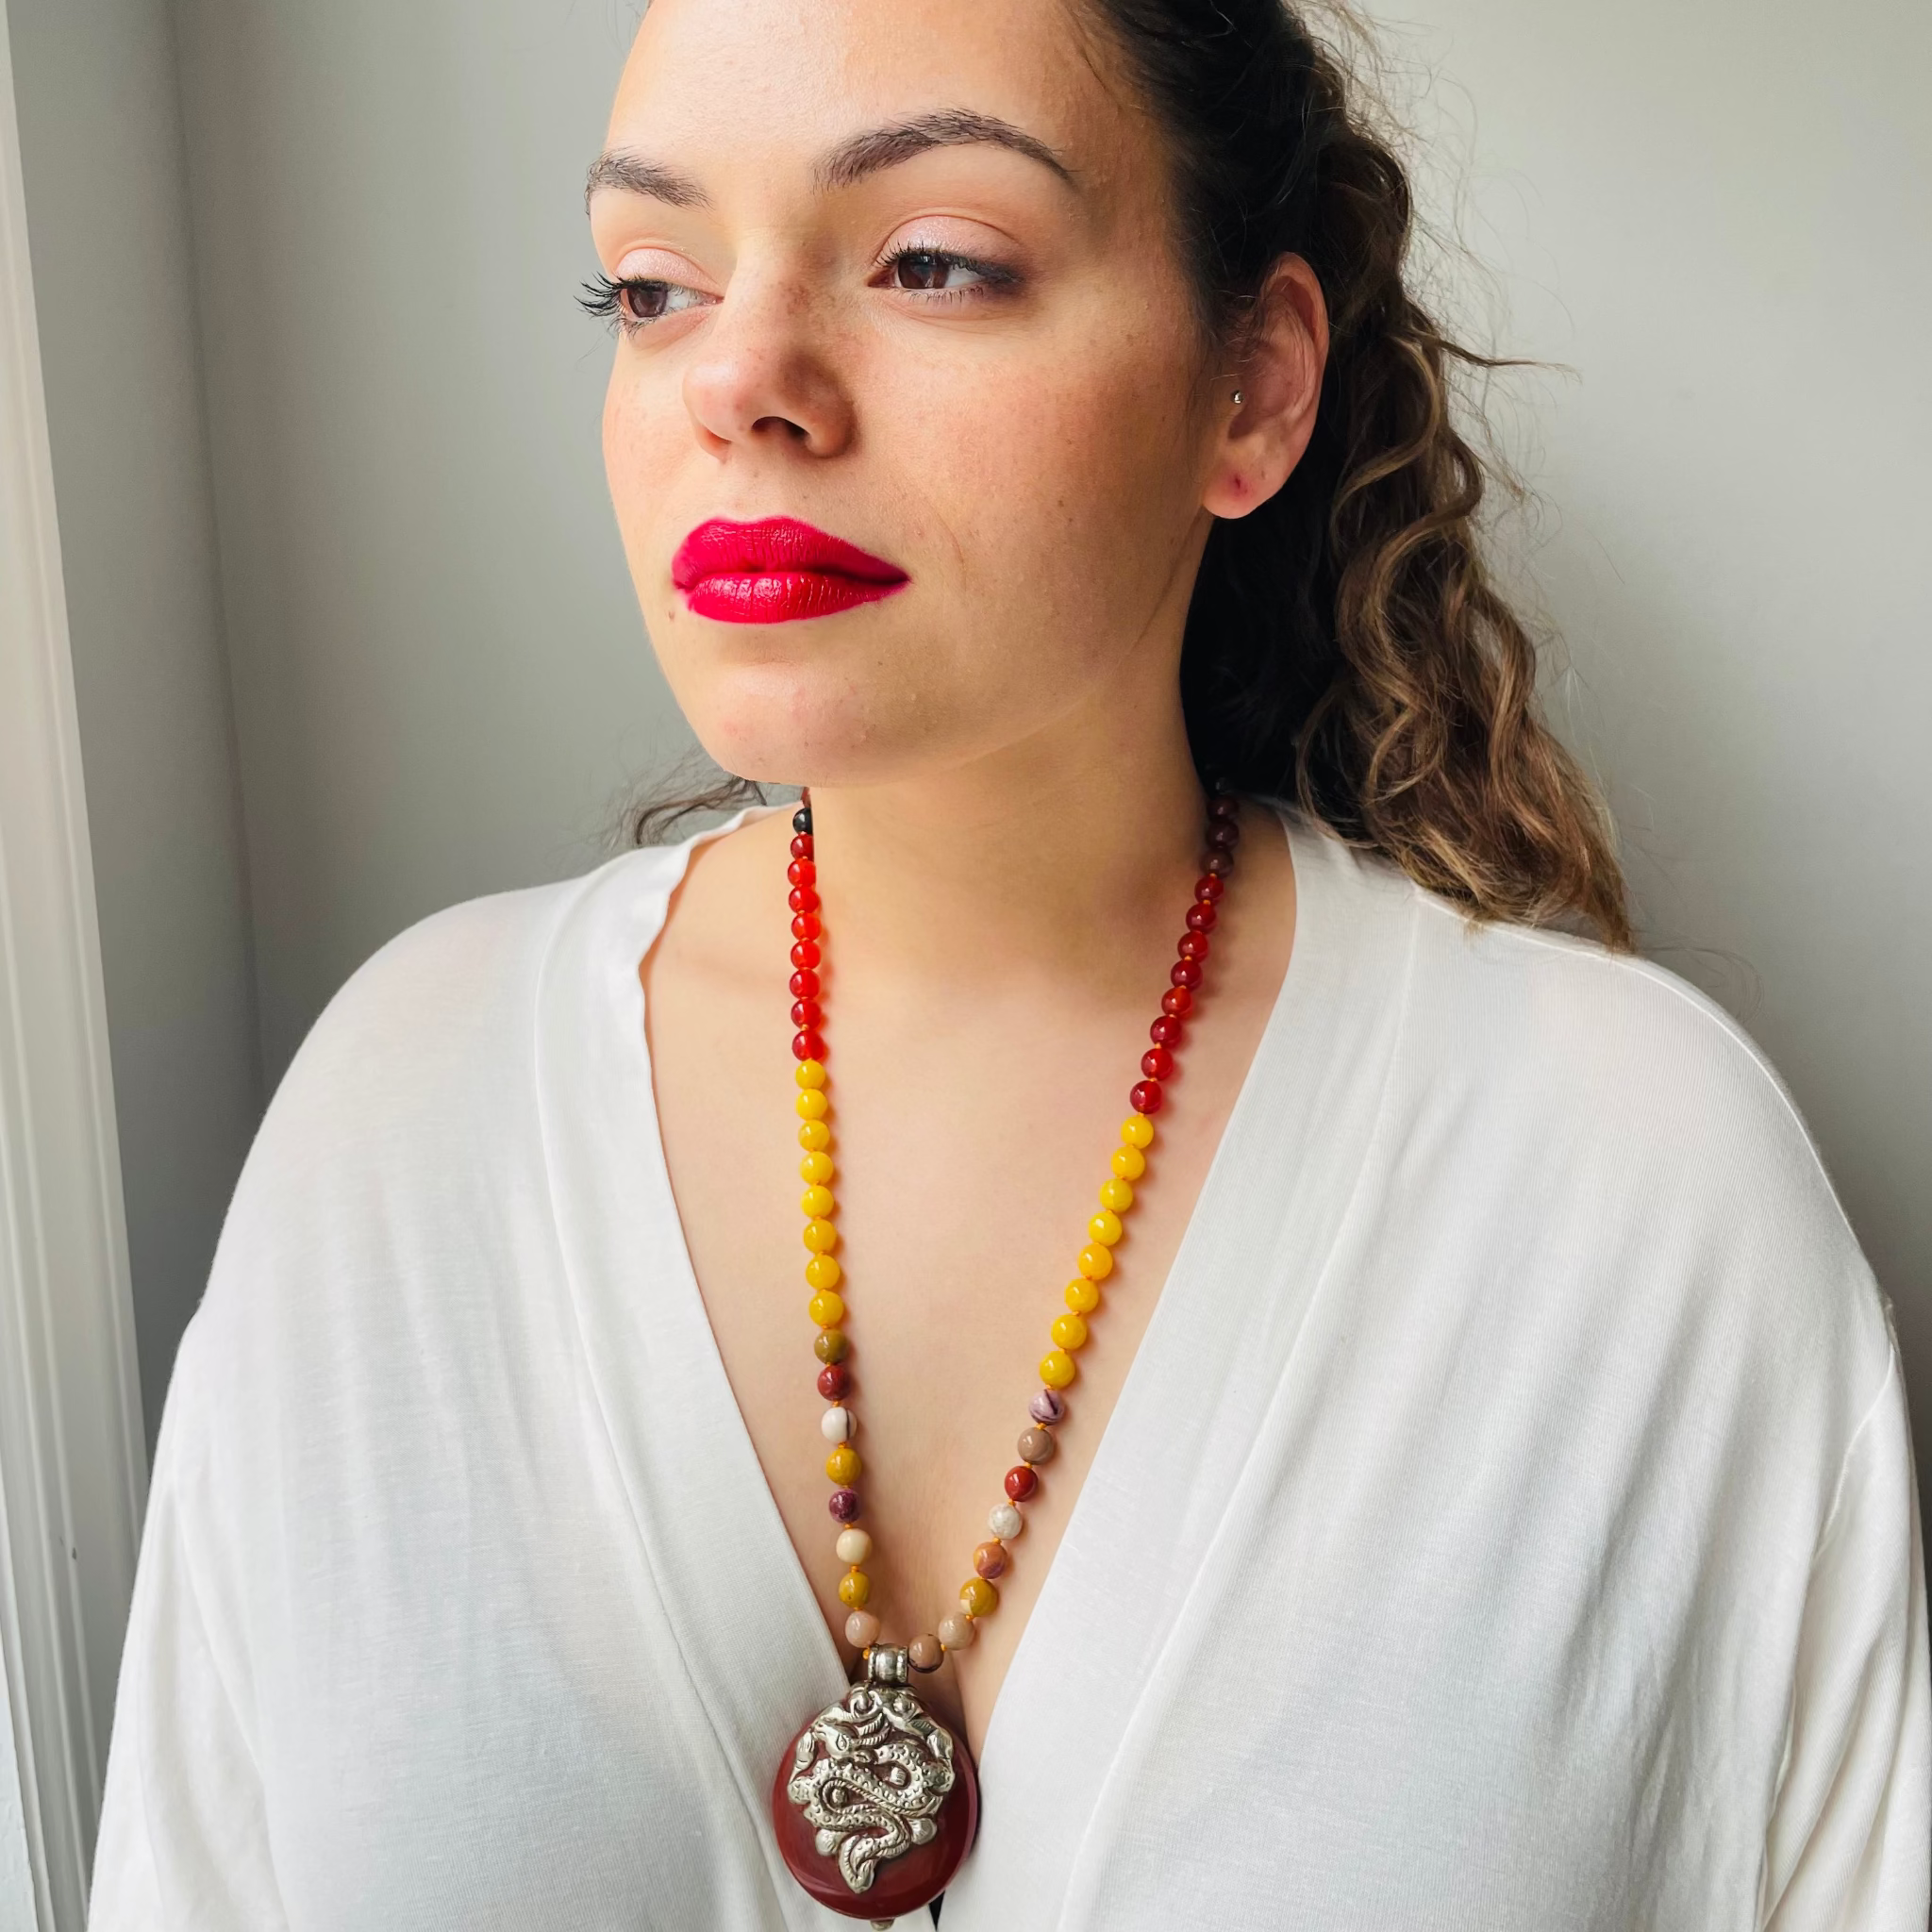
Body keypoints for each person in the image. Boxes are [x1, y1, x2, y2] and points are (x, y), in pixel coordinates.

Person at [91, 0, 1928, 1924]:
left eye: (933, 263)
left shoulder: (1630, 1186)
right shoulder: (401, 1112)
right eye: (651, 285)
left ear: (1254, 391)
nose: (746, 379)